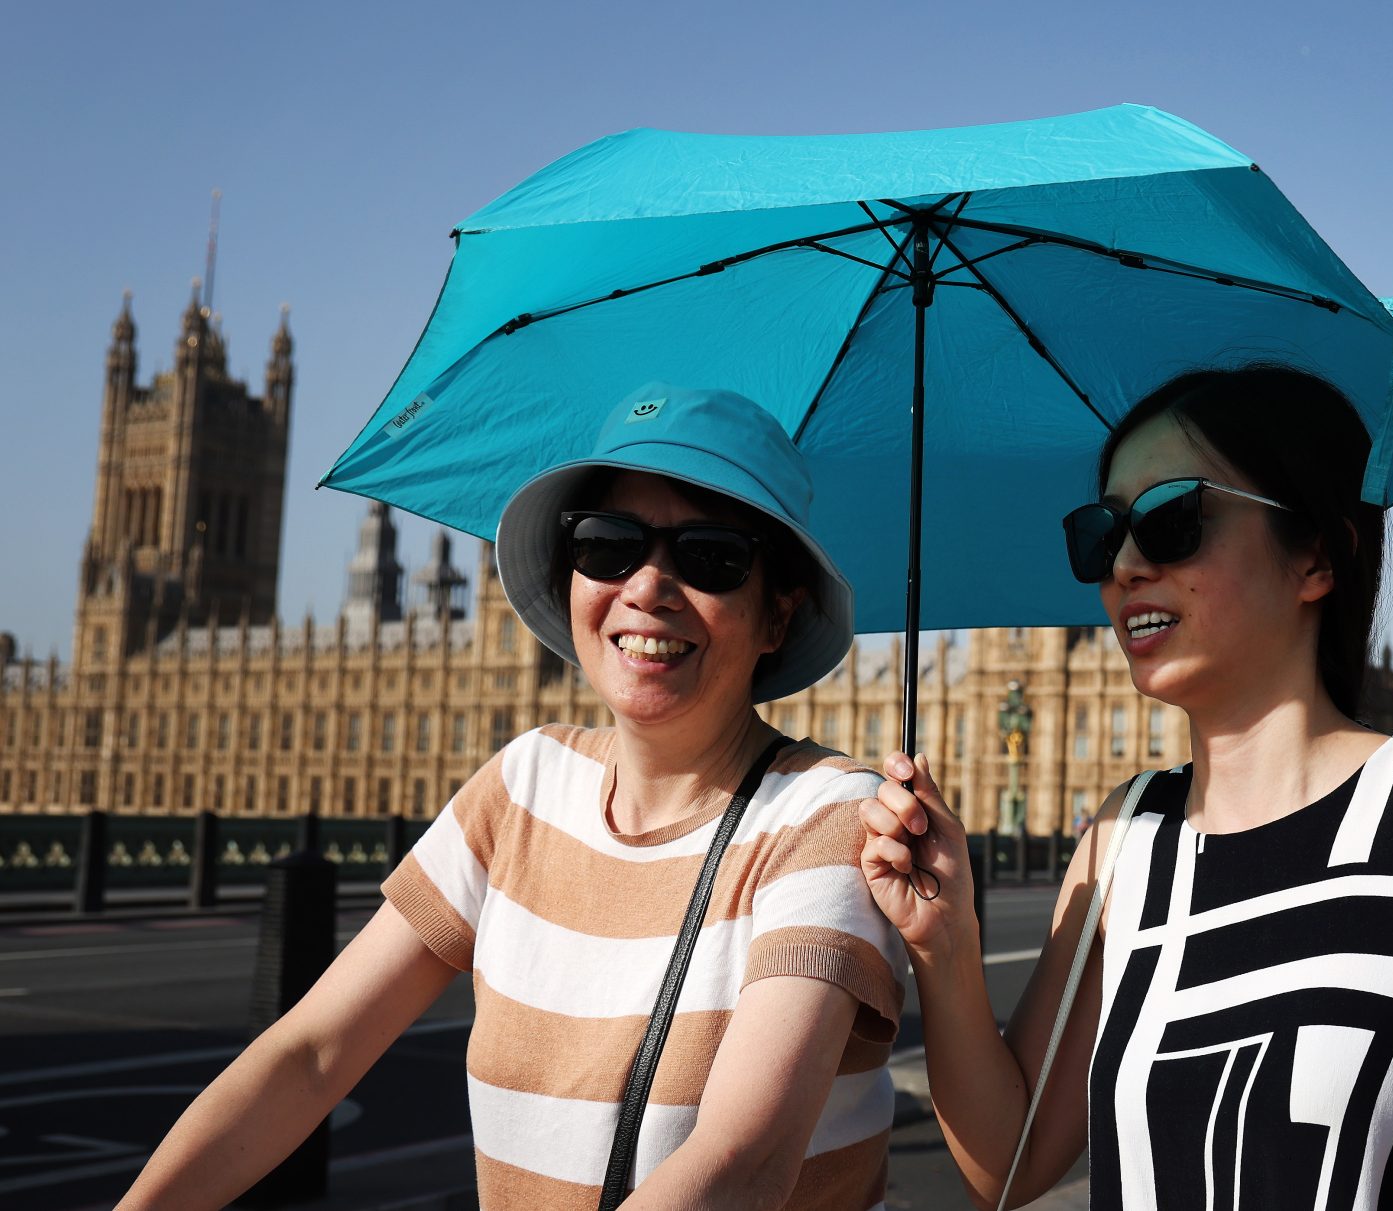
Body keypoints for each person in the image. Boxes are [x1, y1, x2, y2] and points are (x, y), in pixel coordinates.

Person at [860, 366, 1393, 1210]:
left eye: (1173, 519)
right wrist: (945, 951)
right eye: (1103, 533)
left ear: (1315, 555)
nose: (1126, 563)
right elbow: (1009, 1162)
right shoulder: (1126, 840)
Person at [124, 384, 907, 1210]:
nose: (647, 586)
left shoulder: (828, 817)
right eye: (608, 544)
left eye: (711, 556)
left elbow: (742, 1165)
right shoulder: (524, 785)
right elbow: (310, 1054)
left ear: (778, 614)